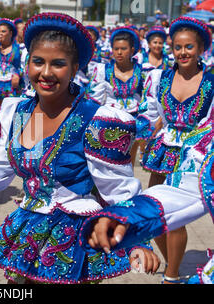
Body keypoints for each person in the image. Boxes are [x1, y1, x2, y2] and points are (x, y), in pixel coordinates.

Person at [0, 12, 157, 284]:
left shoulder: (98, 120)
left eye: (58, 64)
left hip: (76, 236)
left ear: (75, 67)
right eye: (38, 62)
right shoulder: (19, 113)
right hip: (30, 226)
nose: (45, 73)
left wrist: (140, 241)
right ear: (27, 63)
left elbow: (120, 190)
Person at [80, 102, 214, 283]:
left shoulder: (96, 116)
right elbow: (184, 190)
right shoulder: (30, 114)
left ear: (72, 71)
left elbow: (116, 181)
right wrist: (123, 215)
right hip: (44, 221)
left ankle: (172, 273)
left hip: (80, 221)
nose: (47, 73)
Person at [135, 16, 214, 284]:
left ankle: (171, 275)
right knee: (154, 211)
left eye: (189, 47)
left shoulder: (211, 83)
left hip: (194, 156)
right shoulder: (159, 78)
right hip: (162, 152)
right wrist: (140, 138)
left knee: (176, 218)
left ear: (201, 48)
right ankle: (173, 262)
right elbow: (150, 114)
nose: (182, 52)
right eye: (178, 47)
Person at [85, 26, 146, 165]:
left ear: (132, 50)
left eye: (123, 49)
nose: (119, 52)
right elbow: (94, 99)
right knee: (107, 162)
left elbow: (147, 99)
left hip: (134, 122)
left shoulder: (143, 72)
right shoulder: (102, 70)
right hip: (110, 121)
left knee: (128, 162)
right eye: (116, 48)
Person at [0, 18, 25, 114]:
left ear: (10, 33)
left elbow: (24, 65)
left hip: (12, 85)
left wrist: (18, 74)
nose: (0, 34)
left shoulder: (19, 49)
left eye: (3, 31)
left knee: (10, 114)